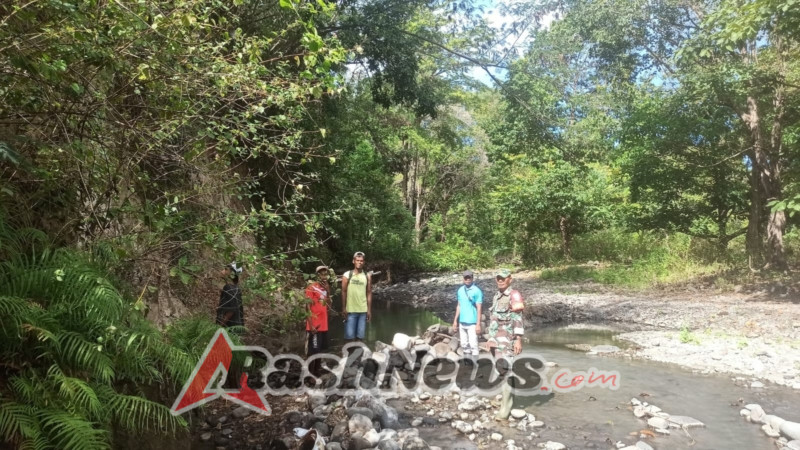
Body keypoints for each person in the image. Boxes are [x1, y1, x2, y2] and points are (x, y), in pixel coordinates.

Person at [487, 268, 525, 420]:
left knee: (505, 371)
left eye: (503, 278)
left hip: (508, 339)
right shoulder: (496, 296)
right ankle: (508, 400)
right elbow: (494, 319)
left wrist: (518, 339)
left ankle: (506, 408)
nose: (500, 280)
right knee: (503, 369)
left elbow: (518, 318)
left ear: (510, 279)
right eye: (498, 278)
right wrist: (490, 339)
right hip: (496, 339)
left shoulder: (514, 295)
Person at [451, 270, 483, 357]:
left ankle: (475, 363)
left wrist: (478, 324)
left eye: (469, 277)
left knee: (473, 345)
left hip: (472, 322)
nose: (468, 279)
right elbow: (459, 306)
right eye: (466, 278)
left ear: (472, 278)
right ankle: (467, 363)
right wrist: (455, 321)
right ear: (463, 279)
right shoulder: (460, 290)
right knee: (464, 344)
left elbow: (479, 308)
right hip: (462, 322)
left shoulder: (477, 291)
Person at [341, 251, 371, 342]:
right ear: (353, 261)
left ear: (364, 262)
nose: (359, 262)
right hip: (350, 311)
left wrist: (369, 310)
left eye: (361, 260)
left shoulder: (367, 276)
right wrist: (343, 308)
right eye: (357, 260)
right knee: (349, 338)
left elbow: (369, 293)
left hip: (363, 311)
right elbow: (343, 291)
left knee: (360, 338)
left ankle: (358, 355)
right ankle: (349, 355)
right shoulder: (347, 275)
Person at [305, 265, 332, 363]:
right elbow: (307, 307)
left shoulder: (326, 288)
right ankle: (310, 374)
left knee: (320, 350)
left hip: (323, 325)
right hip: (314, 325)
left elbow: (329, 307)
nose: (323, 277)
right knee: (313, 351)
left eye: (325, 275)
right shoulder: (311, 288)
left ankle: (317, 372)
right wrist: (311, 325)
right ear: (317, 275)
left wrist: (328, 292)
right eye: (321, 275)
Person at [216, 262, 244, 329]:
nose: (222, 271)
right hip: (236, 326)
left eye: (226, 269)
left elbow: (231, 310)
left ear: (232, 273)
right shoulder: (236, 288)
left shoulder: (229, 288)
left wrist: (219, 326)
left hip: (229, 328)